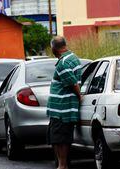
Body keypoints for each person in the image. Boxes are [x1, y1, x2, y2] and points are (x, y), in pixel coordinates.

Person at [47, 36, 82, 169]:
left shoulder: (63, 63)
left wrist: (80, 96)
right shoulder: (72, 57)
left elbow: (72, 82)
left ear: (54, 48)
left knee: (59, 139)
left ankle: (62, 166)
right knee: (59, 137)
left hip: (62, 109)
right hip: (63, 108)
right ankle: (62, 165)